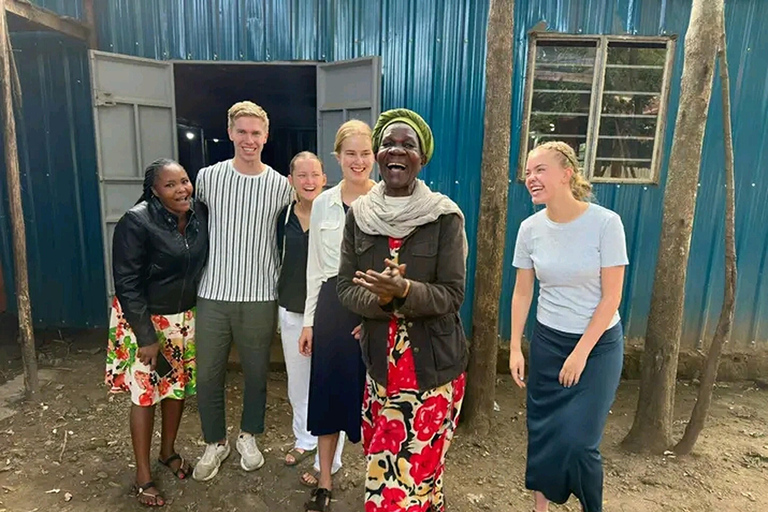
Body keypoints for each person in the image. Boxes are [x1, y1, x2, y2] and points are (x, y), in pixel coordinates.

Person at [337, 108, 468, 512]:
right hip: (380, 369)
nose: (397, 150)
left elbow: (452, 295)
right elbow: (345, 287)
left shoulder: (444, 216)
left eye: (407, 145)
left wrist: (406, 290)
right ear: (377, 154)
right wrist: (379, 299)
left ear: (421, 157)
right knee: (398, 472)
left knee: (402, 480)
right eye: (389, 144)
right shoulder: (360, 215)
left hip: (432, 370)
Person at [509, 141, 628, 512]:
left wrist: (580, 353)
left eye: (540, 170)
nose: (531, 178)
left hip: (597, 348)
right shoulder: (530, 229)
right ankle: (539, 508)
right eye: (528, 172)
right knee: (543, 432)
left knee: (580, 442)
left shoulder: (606, 224)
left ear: (567, 174)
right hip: (548, 342)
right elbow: (522, 293)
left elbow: (611, 297)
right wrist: (515, 346)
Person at [192, 101, 293, 482]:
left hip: (261, 293)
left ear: (265, 137)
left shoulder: (281, 186)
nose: (249, 140)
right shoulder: (207, 178)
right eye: (242, 132)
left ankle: (249, 436)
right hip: (213, 292)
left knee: (256, 374)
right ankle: (214, 442)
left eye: (256, 133)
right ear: (231, 133)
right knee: (208, 374)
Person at [106, 158, 208, 507]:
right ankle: (143, 473)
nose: (182, 189)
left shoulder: (197, 217)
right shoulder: (136, 222)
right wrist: (146, 336)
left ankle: (168, 452)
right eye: (170, 184)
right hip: (144, 322)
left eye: (184, 181)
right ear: (154, 190)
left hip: (182, 319)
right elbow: (127, 283)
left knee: (177, 389)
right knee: (146, 395)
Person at [297, 119, 376, 511]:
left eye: (365, 153)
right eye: (350, 154)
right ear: (338, 157)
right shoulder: (324, 202)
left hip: (375, 308)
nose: (358, 161)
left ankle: (377, 485)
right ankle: (325, 480)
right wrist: (310, 321)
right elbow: (315, 268)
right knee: (328, 395)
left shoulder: (386, 200)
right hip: (331, 308)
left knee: (373, 399)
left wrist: (378, 315)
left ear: (375, 156)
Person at [275, 151, 327, 468]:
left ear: (324, 178)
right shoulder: (282, 217)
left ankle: (328, 448)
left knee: (328, 380)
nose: (309, 182)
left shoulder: (336, 213)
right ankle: (304, 439)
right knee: (298, 381)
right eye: (302, 176)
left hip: (329, 312)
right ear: (291, 180)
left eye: (315, 175)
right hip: (293, 309)